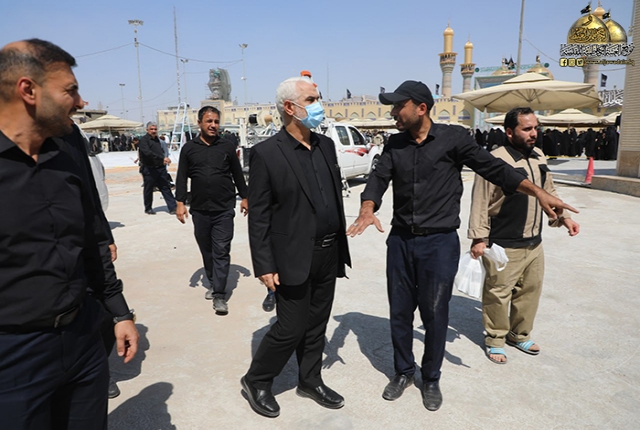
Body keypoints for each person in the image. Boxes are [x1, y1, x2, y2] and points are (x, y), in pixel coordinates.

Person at [347, 80, 578, 411]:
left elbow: (495, 169)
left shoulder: (454, 138)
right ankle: (403, 372)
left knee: (435, 313)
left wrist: (538, 191)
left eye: (399, 106)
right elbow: (379, 178)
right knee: (399, 312)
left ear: (421, 108)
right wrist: (368, 208)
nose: (393, 112)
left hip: (439, 243)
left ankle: (431, 378)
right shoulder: (395, 143)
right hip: (400, 240)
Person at [0, 38, 139, 429]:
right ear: (28, 90)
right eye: (70, 91)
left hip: (83, 342)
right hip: (13, 358)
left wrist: (119, 312)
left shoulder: (67, 154)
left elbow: (93, 242)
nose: (80, 102)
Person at [241, 76, 351, 418]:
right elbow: (259, 216)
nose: (319, 105)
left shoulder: (325, 145)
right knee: (290, 327)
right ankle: (257, 380)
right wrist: (264, 264)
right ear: (290, 107)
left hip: (328, 251)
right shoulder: (266, 154)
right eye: (312, 99)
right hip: (292, 256)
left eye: (318, 98)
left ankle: (310, 380)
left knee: (317, 323)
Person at [468, 107, 580, 364]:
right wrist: (479, 238)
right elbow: (480, 200)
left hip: (534, 240)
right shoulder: (494, 159)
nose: (534, 133)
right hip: (504, 241)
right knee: (498, 293)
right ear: (509, 132)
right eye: (527, 129)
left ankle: (519, 334)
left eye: (535, 128)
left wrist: (564, 217)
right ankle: (495, 339)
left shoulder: (539, 156)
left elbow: (549, 191)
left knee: (530, 291)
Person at [175, 106, 248, 315]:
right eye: (209, 121)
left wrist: (245, 197)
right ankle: (213, 280)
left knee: (221, 250)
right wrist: (180, 202)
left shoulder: (227, 147)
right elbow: (182, 176)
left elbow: (237, 173)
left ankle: (219, 294)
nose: (213, 125)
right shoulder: (189, 149)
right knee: (206, 249)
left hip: (224, 208)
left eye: (216, 121)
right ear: (199, 123)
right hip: (199, 209)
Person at [138, 121, 177, 215]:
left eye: (155, 129)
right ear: (147, 130)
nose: (153, 131)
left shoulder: (158, 140)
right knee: (149, 189)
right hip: (149, 169)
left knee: (165, 187)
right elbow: (147, 153)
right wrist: (162, 158)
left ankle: (173, 207)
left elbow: (162, 151)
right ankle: (148, 208)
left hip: (160, 168)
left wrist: (164, 159)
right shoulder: (144, 141)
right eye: (151, 129)